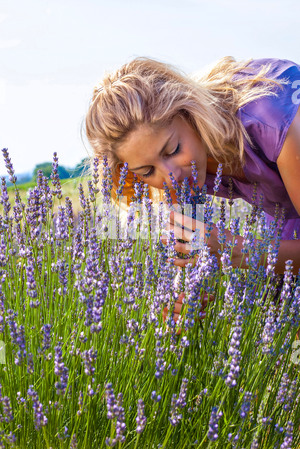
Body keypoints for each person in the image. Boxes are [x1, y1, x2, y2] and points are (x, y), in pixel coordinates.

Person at [85, 56, 300, 323]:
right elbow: (198, 256)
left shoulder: (270, 118)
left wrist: (233, 248)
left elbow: (230, 249)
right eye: (147, 171)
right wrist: (191, 294)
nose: (170, 177)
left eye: (173, 150)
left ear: (189, 113)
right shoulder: (178, 177)